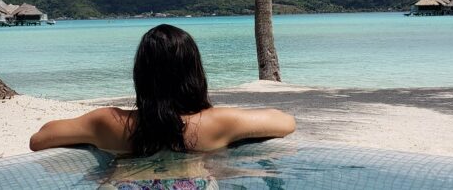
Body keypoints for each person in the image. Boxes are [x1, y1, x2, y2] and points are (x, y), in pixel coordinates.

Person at [29, 24, 296, 156]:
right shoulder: (218, 122)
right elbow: (285, 122)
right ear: (194, 73)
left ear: (141, 75)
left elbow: (39, 139)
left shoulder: (108, 123)